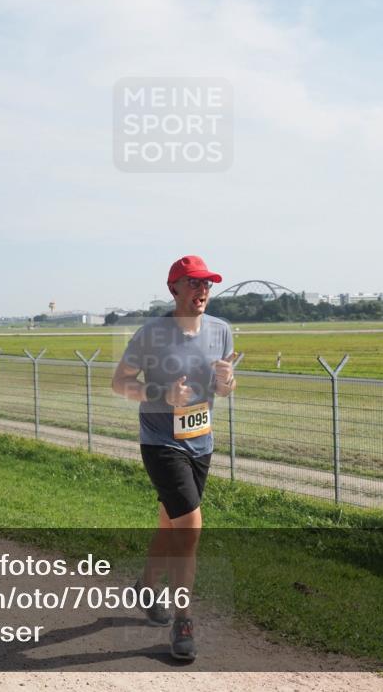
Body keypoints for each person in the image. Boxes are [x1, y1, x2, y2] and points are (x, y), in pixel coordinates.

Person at [112, 255, 237, 661]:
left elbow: (223, 390)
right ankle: (183, 622)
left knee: (171, 526)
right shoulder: (152, 335)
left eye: (207, 285)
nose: (203, 291)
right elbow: (120, 383)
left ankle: (146, 585)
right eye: (194, 283)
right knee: (190, 529)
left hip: (201, 441)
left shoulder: (221, 331)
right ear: (174, 288)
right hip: (161, 442)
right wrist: (160, 396)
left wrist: (226, 382)